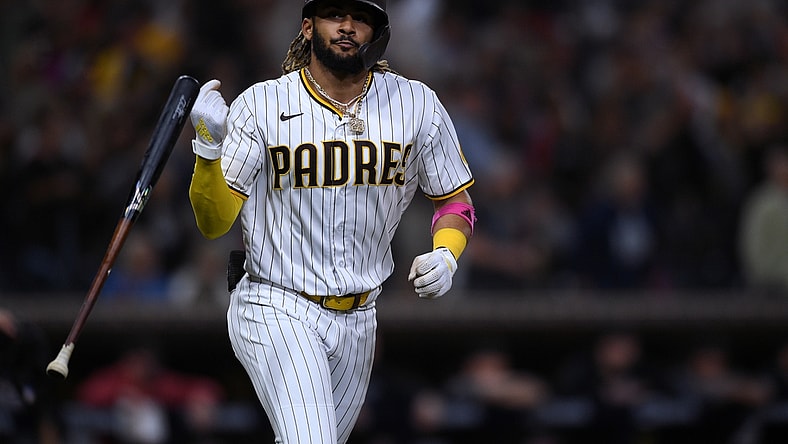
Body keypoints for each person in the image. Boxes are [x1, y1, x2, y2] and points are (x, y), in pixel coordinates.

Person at [186, 0, 476, 442]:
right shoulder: (262, 104)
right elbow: (213, 223)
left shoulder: (416, 104)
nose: (347, 27)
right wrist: (208, 154)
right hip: (275, 302)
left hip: (360, 319)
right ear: (307, 27)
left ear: (378, 33)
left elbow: (455, 203)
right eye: (334, 15)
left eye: (360, 18)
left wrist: (447, 255)